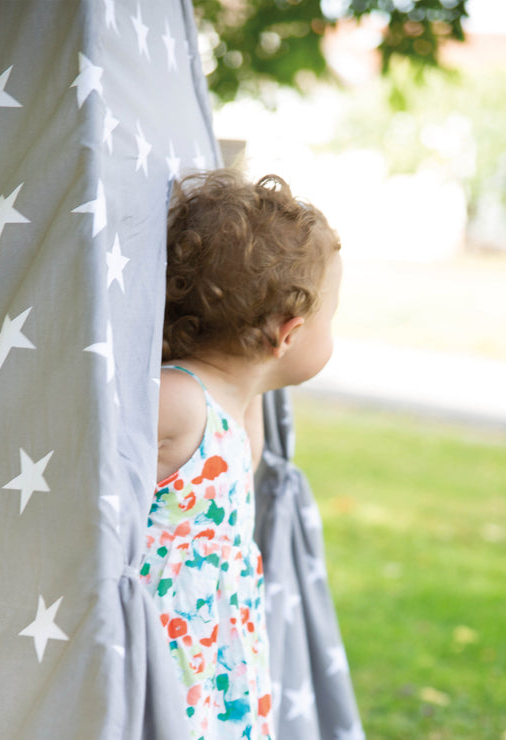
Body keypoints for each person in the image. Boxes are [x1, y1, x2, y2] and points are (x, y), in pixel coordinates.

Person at [139, 168, 342, 740]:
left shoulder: (238, 409)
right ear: (290, 332)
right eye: (334, 317)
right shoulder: (181, 399)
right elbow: (71, 438)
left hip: (220, 662)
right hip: (169, 659)